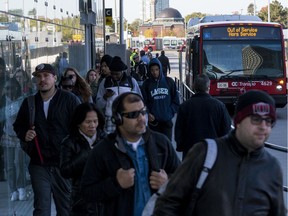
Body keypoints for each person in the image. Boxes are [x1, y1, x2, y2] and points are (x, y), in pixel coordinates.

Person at [153, 90, 286, 216]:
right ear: (238, 121)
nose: (263, 126)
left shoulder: (272, 167)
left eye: (269, 121)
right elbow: (167, 205)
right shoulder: (205, 154)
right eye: (256, 119)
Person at [81, 92, 180, 216]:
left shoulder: (161, 143)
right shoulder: (102, 150)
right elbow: (87, 192)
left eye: (143, 112)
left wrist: (167, 183)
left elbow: (184, 180)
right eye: (133, 115)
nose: (142, 118)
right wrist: (116, 184)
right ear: (118, 119)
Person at [13, 63, 81, 216]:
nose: (42, 80)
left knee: (66, 210)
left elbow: (82, 127)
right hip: (39, 164)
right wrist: (25, 133)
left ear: (55, 78)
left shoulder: (70, 100)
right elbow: (18, 125)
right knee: (41, 210)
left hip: (64, 166)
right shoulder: (29, 103)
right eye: (38, 77)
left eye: (46, 76)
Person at [60, 103, 106, 215]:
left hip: (105, 198)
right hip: (81, 200)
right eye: (88, 122)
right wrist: (86, 155)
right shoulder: (69, 142)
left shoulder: (106, 139)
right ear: (78, 123)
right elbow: (65, 171)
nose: (92, 125)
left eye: (95, 121)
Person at [175, 74, 231, 159]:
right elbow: (226, 129)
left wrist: (181, 146)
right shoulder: (219, 106)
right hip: (213, 152)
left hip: (190, 152)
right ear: (208, 87)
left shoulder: (185, 106)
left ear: (194, 86)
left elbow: (179, 129)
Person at [96, 56, 142, 134]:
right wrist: (105, 97)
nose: (114, 76)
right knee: (110, 143)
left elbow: (140, 100)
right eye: (112, 73)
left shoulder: (131, 81)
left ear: (122, 71)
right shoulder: (105, 82)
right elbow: (98, 104)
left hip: (128, 117)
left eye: (117, 74)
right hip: (110, 118)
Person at [0, 78, 27, 201]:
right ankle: (13, 190)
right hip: (7, 135)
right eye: (6, 88)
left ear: (17, 88)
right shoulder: (3, 101)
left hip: (19, 136)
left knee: (19, 163)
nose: (9, 91)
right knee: (9, 165)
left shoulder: (22, 100)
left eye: (11, 88)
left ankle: (21, 187)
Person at [141, 58, 180, 141]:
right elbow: (143, 102)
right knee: (154, 147)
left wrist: (169, 112)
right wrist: (148, 113)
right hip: (153, 123)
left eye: (156, 69)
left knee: (166, 147)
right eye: (152, 70)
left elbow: (176, 101)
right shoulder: (146, 84)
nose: (154, 72)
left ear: (160, 69)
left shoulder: (169, 82)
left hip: (167, 122)